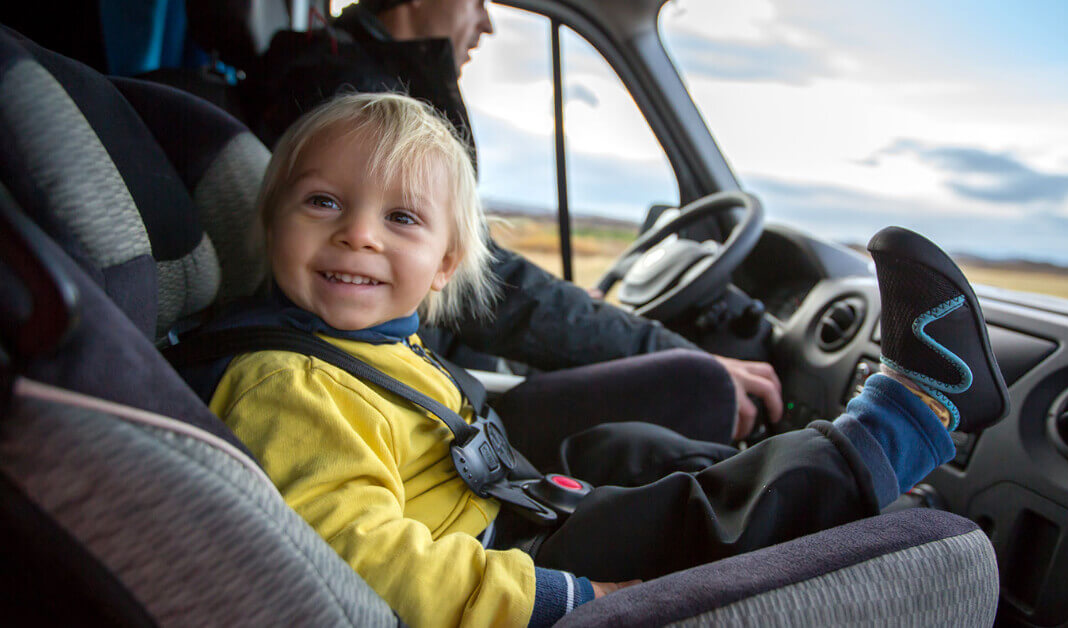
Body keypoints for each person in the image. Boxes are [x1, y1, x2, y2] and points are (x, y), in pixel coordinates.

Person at [196, 92, 1009, 627]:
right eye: (323, 202)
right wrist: (564, 595)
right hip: (507, 571)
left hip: (506, 512)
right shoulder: (287, 382)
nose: (358, 234)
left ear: (444, 266)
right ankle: (918, 411)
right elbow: (359, 559)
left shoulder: (364, 346)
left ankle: (825, 492)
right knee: (691, 510)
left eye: (400, 218)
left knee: (633, 452)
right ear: (273, 226)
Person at [242, 0, 784, 452]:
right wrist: (673, 352)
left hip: (450, 384)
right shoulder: (345, 99)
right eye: (477, 0)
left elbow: (487, 283)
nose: (487, 22)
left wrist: (593, 311)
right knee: (699, 387)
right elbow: (495, 291)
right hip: (447, 409)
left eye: (402, 217)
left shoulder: (366, 81)